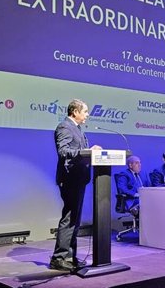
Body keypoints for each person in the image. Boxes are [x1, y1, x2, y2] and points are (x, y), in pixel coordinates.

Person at [50, 99, 101, 272]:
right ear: (75, 112)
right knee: (69, 218)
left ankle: (70, 257)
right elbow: (63, 152)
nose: (87, 115)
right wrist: (84, 152)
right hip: (70, 178)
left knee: (75, 220)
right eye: (85, 111)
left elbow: (81, 152)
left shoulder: (78, 129)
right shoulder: (64, 127)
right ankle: (58, 258)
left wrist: (90, 150)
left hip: (78, 178)